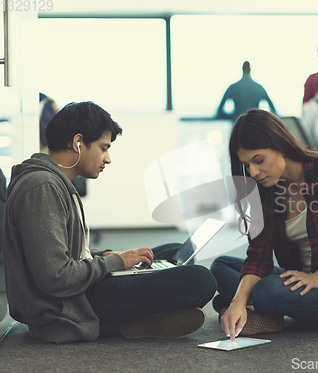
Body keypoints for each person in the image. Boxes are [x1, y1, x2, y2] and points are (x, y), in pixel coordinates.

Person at [3, 101, 216, 343]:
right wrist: (114, 262)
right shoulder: (42, 187)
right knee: (201, 279)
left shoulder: (52, 182)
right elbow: (55, 277)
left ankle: (143, 312)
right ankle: (120, 322)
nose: (108, 158)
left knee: (172, 251)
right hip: (70, 307)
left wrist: (104, 255)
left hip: (79, 293)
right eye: (104, 148)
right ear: (78, 143)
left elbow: (64, 253)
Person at [210, 109, 318, 342]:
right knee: (221, 267)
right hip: (302, 281)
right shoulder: (265, 192)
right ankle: (253, 310)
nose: (253, 172)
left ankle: (264, 307)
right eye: (247, 165)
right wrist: (237, 302)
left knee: (267, 291)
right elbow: (258, 258)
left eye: (259, 160)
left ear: (280, 145)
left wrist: (317, 278)